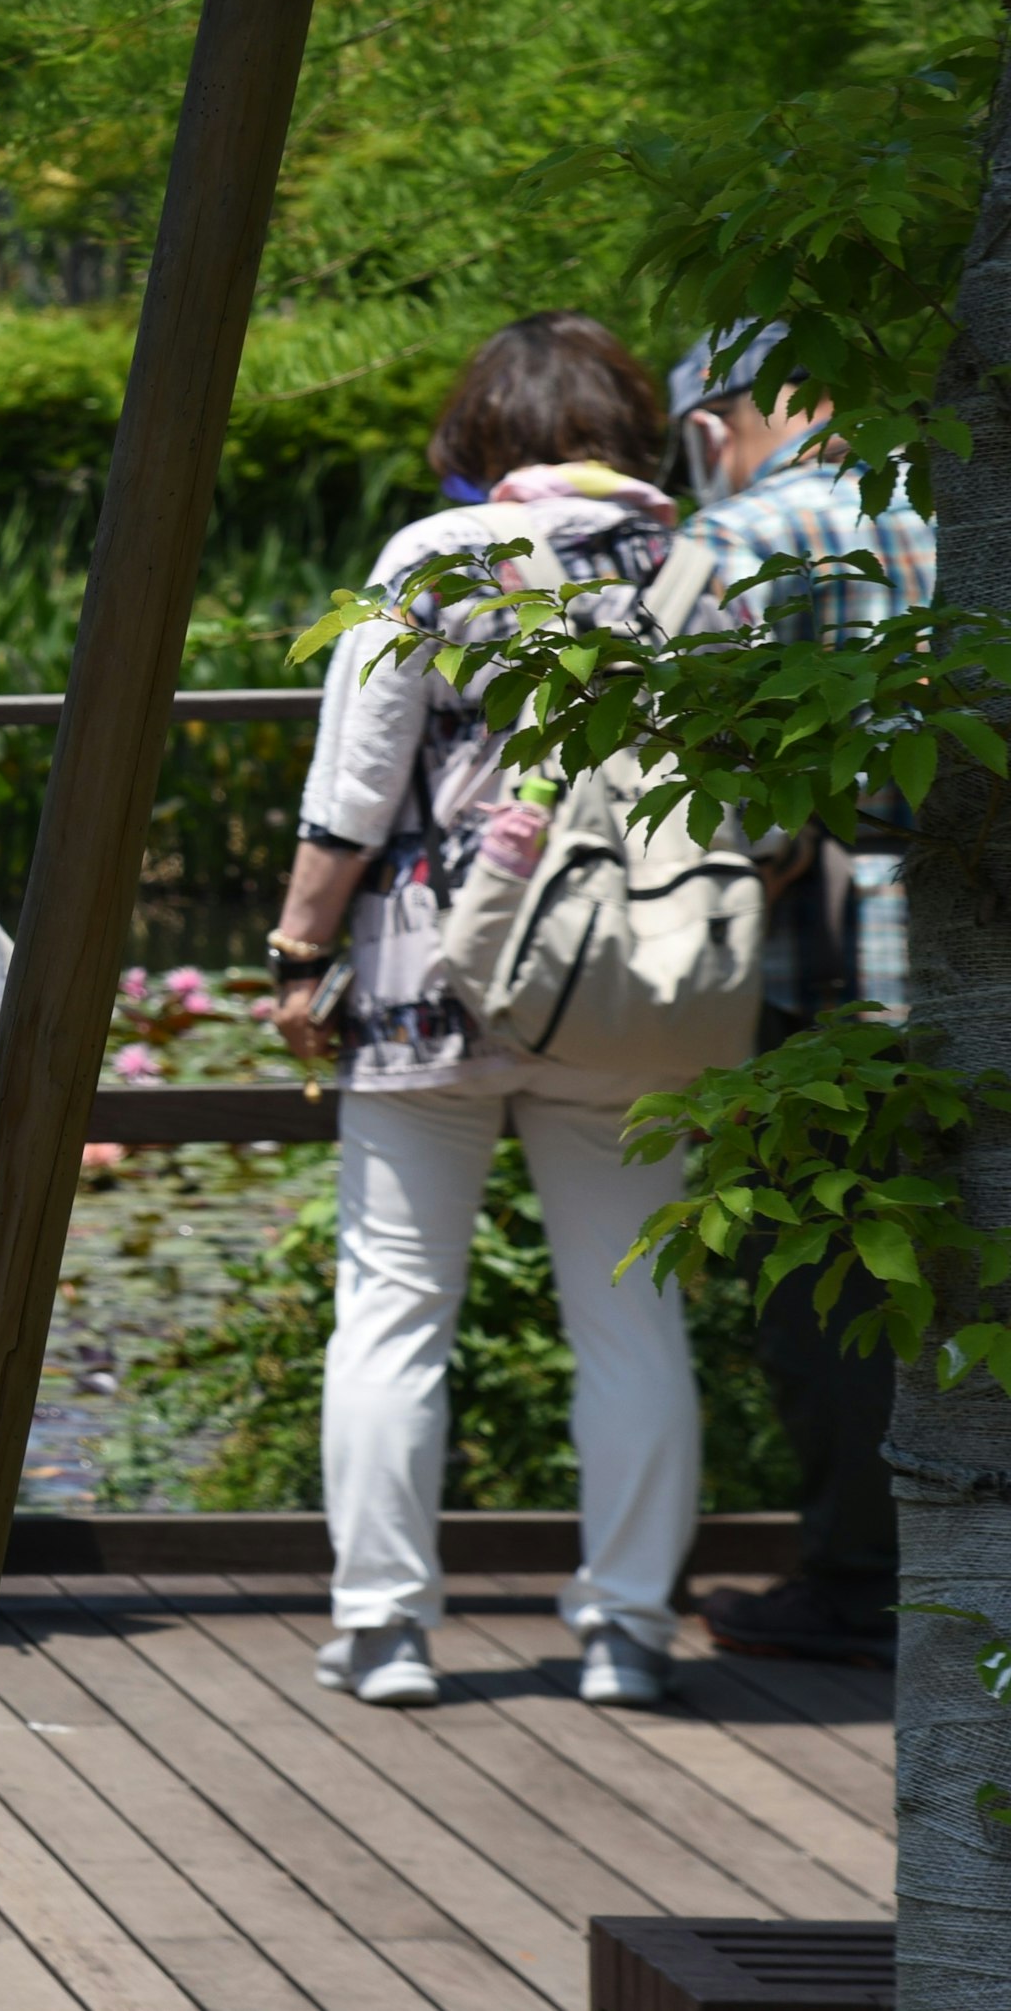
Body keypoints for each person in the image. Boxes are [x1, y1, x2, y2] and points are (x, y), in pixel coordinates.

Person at [266, 312, 714, 1711]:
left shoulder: (436, 557)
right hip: (628, 980)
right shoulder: (700, 566)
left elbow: (357, 783)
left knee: (396, 1305)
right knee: (634, 1310)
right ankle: (628, 1627)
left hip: (429, 981)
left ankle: (386, 1624)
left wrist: (296, 946)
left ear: (483, 433)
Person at [666, 321, 935, 1670]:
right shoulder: (955, 499)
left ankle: (856, 1575)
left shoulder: (739, 536)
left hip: (831, 968)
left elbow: (704, 791)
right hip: (971, 947)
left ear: (713, 427)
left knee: (832, 1276)